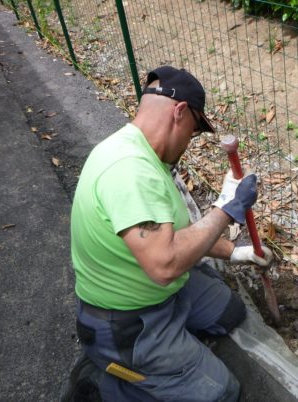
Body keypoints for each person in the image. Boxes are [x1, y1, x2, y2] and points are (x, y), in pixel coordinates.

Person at [61, 66, 273, 402]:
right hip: (126, 321)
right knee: (221, 391)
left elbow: (181, 234)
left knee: (228, 313)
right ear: (179, 112)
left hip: (160, 291)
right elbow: (165, 264)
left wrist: (234, 251)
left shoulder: (143, 155)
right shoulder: (129, 170)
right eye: (193, 130)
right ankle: (106, 382)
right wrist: (226, 208)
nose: (190, 141)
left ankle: (171, 351)